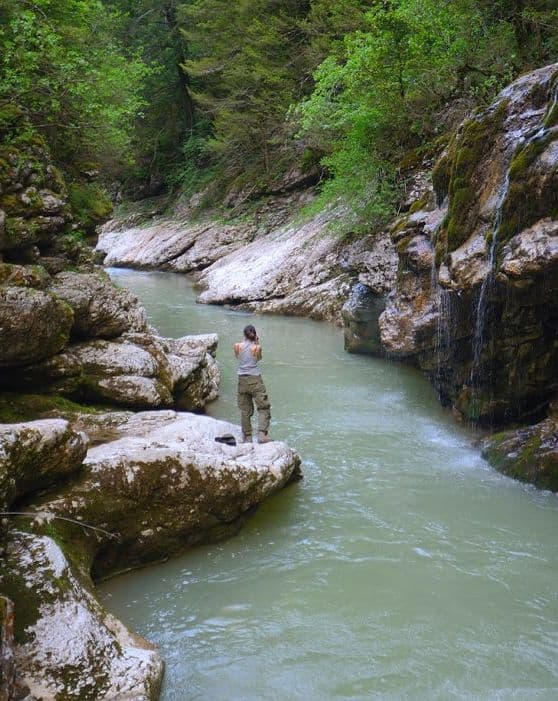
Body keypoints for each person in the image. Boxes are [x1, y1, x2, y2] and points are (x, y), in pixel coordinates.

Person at [234, 324, 271, 443]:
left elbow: (238, 356)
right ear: (255, 335)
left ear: (244, 335)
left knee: (245, 409)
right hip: (255, 379)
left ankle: (248, 437)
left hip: (242, 380)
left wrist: (245, 341)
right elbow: (258, 359)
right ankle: (262, 435)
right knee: (263, 407)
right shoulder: (257, 348)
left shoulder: (237, 346)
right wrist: (256, 342)